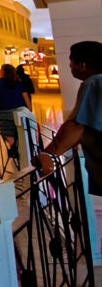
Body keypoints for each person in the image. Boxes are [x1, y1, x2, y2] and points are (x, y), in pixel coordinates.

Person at [34, 41, 102, 192]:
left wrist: (48, 154)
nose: (70, 66)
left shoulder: (94, 83)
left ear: (82, 65)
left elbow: (76, 127)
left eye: (71, 61)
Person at [0, 64, 32, 151]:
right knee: (20, 131)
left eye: (1, 70)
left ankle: (13, 149)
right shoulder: (18, 82)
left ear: (3, 72)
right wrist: (29, 111)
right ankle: (21, 150)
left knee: (8, 133)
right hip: (20, 111)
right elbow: (26, 97)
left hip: (5, 112)